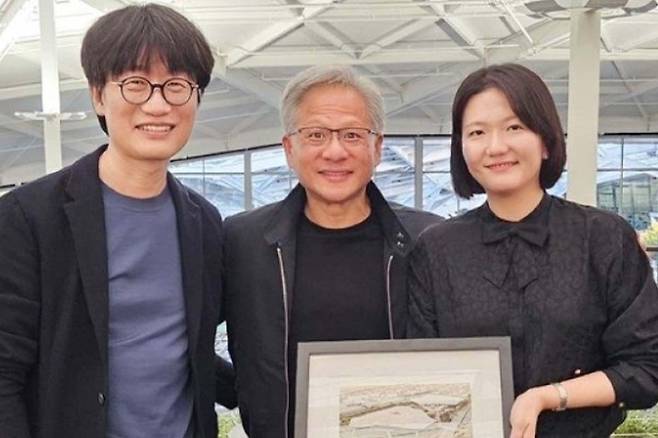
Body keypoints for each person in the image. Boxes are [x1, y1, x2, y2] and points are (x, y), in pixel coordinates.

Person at [0, 4, 234, 438]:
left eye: (177, 86)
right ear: (97, 95)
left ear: (197, 97)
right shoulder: (29, 217)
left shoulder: (203, 221)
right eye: (135, 84)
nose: (158, 105)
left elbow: (181, 349)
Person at [407, 63, 658, 437]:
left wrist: (548, 396)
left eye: (514, 127)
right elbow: (422, 370)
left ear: (545, 140)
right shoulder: (436, 249)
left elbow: (646, 367)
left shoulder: (603, 238)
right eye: (477, 132)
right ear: (461, 148)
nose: (496, 147)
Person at [222, 65, 441, 437]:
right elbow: (183, 334)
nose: (335, 151)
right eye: (316, 135)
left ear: (377, 147)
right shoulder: (244, 241)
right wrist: (245, 393)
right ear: (289, 149)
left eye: (352, 135)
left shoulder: (425, 239)